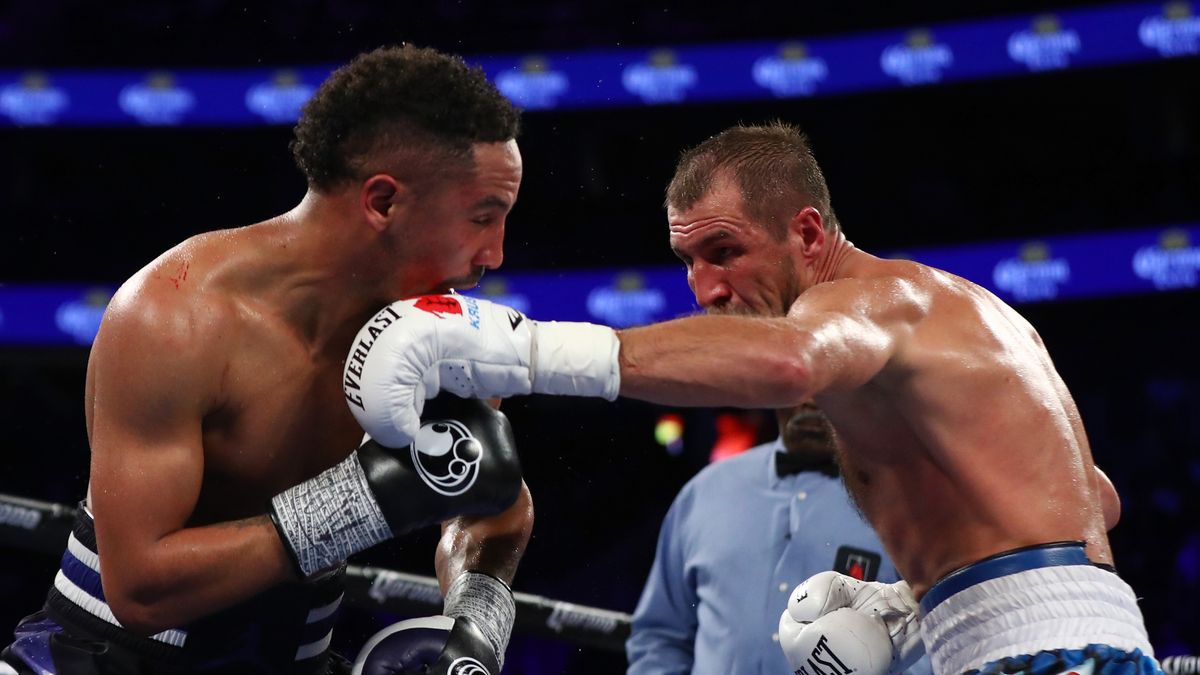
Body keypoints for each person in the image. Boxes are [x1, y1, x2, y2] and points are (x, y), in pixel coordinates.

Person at [345, 121, 1157, 675]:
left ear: (807, 232)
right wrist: (907, 601)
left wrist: (520, 347)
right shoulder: (972, 316)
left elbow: (791, 363)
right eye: (688, 262)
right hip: (1066, 642)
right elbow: (1096, 499)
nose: (706, 289)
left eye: (725, 251)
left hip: (1040, 655)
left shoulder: (869, 302)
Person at [1, 45, 533, 675]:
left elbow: (495, 510)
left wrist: (475, 623)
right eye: (481, 218)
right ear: (383, 202)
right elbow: (140, 590)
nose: (494, 255)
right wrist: (360, 503)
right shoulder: (177, 316)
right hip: (106, 659)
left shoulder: (440, 338)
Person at [627, 402, 930, 675]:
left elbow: (937, 641)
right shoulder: (706, 491)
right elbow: (660, 635)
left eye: (826, 381)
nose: (811, 398)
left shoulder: (902, 502)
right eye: (801, 380)